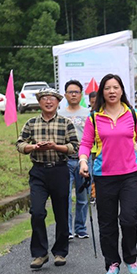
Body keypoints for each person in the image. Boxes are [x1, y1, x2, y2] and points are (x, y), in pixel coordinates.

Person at [79, 73, 137, 274]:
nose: (112, 91)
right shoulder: (94, 117)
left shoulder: (133, 114)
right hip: (103, 176)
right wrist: (83, 160)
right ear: (102, 92)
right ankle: (112, 262)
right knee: (107, 222)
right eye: (107, 88)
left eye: (115, 87)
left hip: (130, 175)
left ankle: (130, 257)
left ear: (122, 90)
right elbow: (85, 143)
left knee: (129, 219)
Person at [16, 88, 78, 269]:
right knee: (37, 212)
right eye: (44, 99)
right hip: (38, 172)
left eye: (52, 99)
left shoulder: (65, 123)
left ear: (58, 102)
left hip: (59, 170)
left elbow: (74, 146)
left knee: (61, 212)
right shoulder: (31, 123)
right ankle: (39, 254)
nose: (48, 102)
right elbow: (20, 144)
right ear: (39, 102)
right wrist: (33, 147)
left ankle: (60, 252)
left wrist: (56, 147)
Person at [59, 80, 90, 239]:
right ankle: (67, 230)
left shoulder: (88, 113)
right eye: (70, 92)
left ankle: (80, 228)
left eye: (76, 92)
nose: (73, 94)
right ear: (65, 95)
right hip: (64, 159)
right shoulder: (60, 114)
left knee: (83, 196)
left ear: (81, 94)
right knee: (65, 197)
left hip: (84, 160)